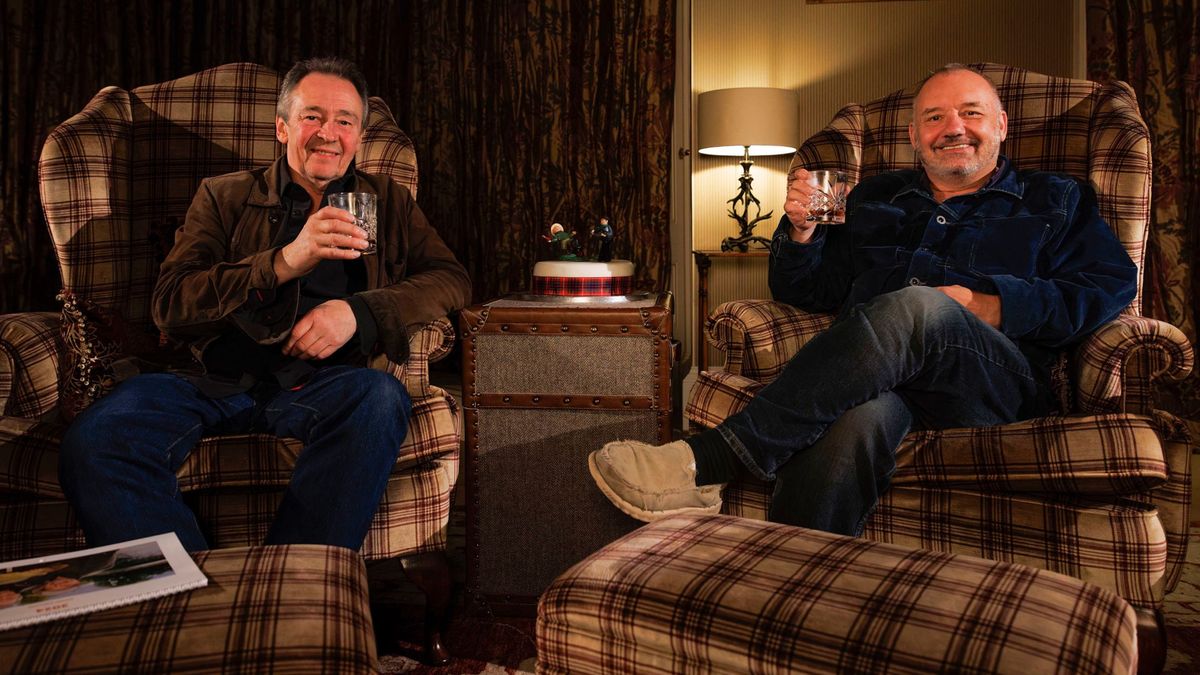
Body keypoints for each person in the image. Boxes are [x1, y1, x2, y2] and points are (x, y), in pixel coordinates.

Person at [588, 64, 1138, 534]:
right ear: (914, 134)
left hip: (992, 383)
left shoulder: (1055, 199)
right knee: (853, 420)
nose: (954, 129)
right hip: (875, 381)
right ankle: (791, 592)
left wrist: (989, 304)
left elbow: (1109, 287)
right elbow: (807, 291)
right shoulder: (874, 198)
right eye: (935, 118)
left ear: (1000, 125)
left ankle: (715, 458)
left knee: (920, 305)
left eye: (971, 113)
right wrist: (801, 233)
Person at [58, 57, 471, 552]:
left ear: (359, 137)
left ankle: (295, 580)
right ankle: (190, 594)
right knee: (95, 440)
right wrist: (283, 262)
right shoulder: (224, 196)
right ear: (283, 127)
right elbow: (170, 304)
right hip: (209, 379)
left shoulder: (387, 201)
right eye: (312, 116)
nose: (328, 133)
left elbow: (451, 280)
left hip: (326, 383)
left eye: (345, 121)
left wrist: (358, 312)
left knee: (380, 398)